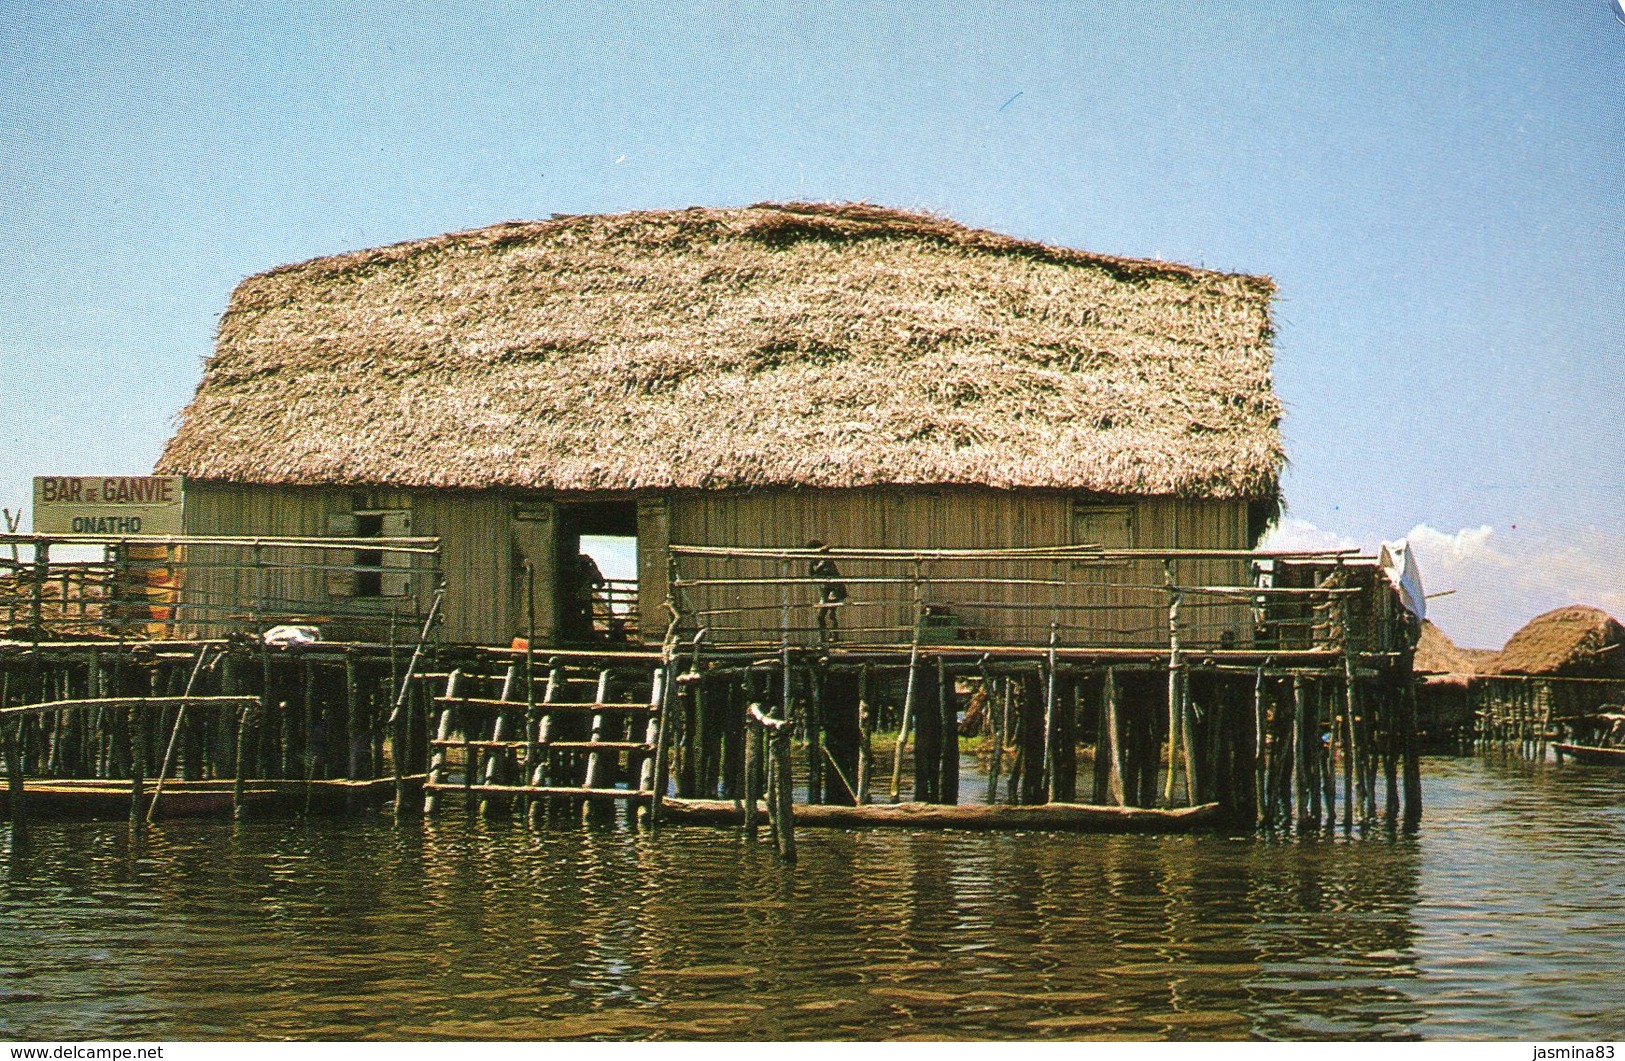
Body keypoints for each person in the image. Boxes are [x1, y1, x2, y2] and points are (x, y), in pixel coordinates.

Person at [806, 540, 847, 643]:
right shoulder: (814, 560)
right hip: (825, 589)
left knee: (831, 614)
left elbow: (819, 568)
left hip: (835, 588)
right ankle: (823, 638)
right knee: (820, 616)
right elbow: (811, 573)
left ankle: (834, 637)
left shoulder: (825, 557)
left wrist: (822, 551)